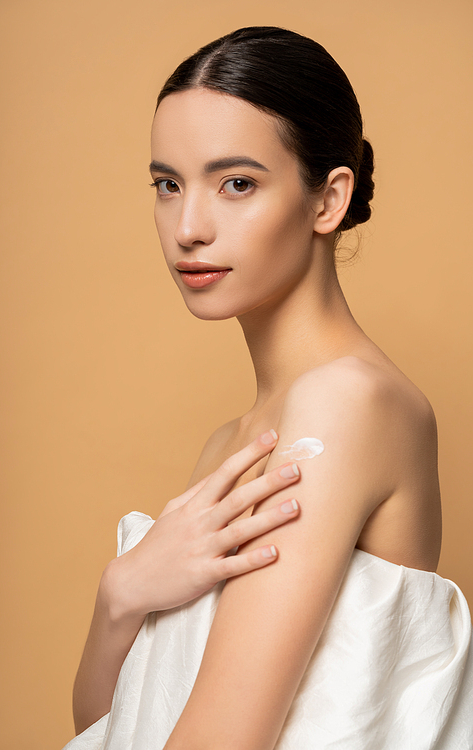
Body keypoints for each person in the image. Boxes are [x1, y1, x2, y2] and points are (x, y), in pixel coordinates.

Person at [63, 26, 473, 750]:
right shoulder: (231, 444)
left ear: (328, 200)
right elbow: (113, 724)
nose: (187, 227)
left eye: (237, 183)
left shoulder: (347, 404)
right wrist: (121, 594)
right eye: (168, 184)